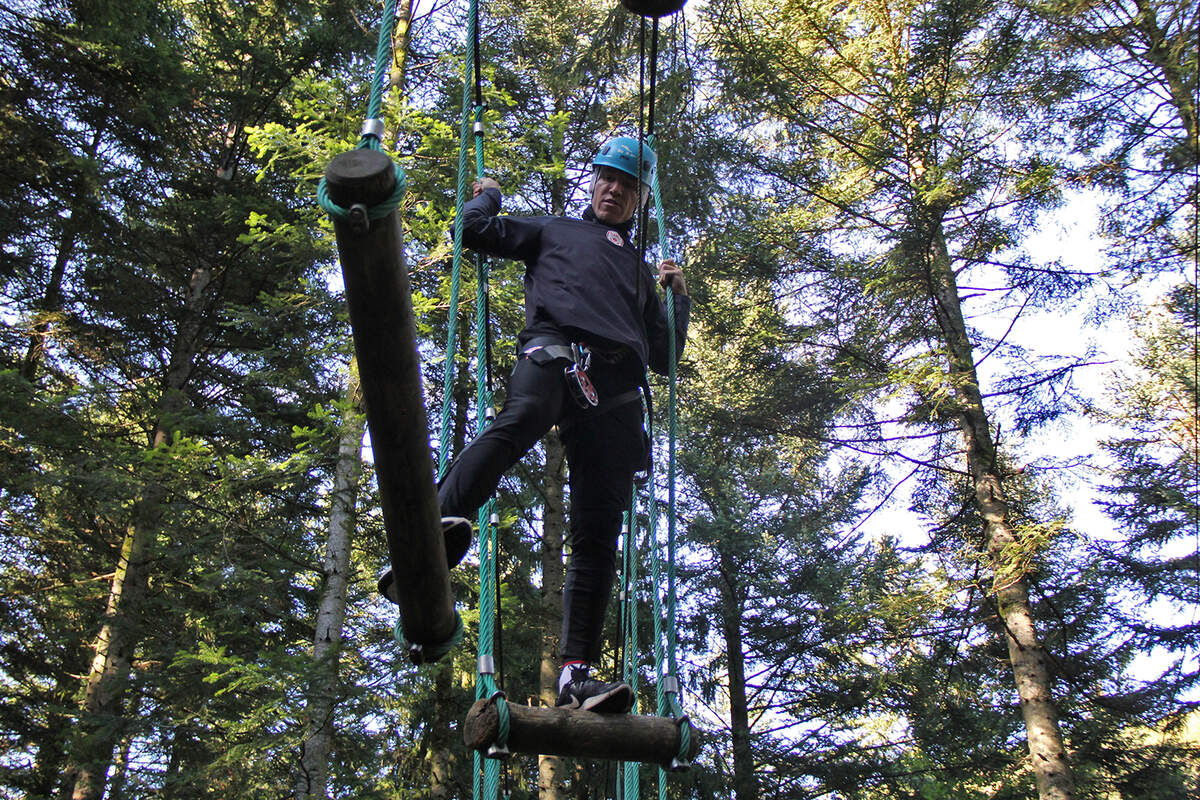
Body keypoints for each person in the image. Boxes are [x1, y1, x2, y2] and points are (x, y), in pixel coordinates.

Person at [384, 136, 688, 713]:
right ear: (592, 181)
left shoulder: (643, 271)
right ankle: (429, 533)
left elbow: (665, 358)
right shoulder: (554, 230)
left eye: (627, 186)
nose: (615, 191)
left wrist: (678, 299)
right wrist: (490, 196)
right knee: (521, 418)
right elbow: (472, 233)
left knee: (600, 531)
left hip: (618, 391)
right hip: (557, 353)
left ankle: (577, 672)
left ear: (639, 200)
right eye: (607, 179)